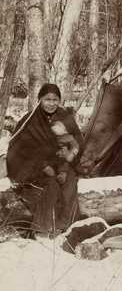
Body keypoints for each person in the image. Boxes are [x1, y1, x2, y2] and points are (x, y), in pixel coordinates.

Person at [7, 83, 83, 236]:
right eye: (47, 99)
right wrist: (43, 166)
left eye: (55, 99)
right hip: (33, 167)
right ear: (40, 99)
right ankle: (42, 229)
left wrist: (66, 166)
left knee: (69, 184)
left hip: (62, 164)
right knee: (51, 185)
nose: (51, 103)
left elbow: (77, 142)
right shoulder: (30, 120)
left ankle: (66, 227)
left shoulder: (64, 117)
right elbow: (20, 150)